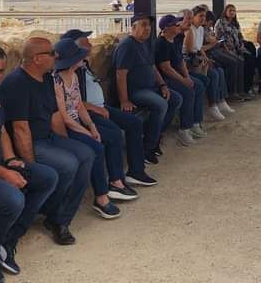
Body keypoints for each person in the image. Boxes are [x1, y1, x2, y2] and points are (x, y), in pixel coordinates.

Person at [0, 46, 57, 283]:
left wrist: (10, 160)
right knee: (13, 199)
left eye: (0, 71)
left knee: (47, 177)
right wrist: (5, 174)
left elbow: (2, 130)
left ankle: (7, 240)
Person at [1, 37, 94, 245]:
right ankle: (54, 216)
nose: (56, 56)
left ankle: (60, 216)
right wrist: (32, 168)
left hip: (47, 138)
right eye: (52, 53)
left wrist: (66, 144)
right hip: (31, 143)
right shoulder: (17, 83)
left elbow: (55, 116)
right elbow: (20, 130)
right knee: (69, 164)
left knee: (86, 154)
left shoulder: (47, 78)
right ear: (37, 59)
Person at [51, 38, 134, 219]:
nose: (84, 57)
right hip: (66, 128)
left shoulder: (73, 76)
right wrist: (87, 132)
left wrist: (91, 126)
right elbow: (64, 117)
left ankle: (114, 184)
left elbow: (79, 105)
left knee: (106, 137)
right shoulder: (56, 82)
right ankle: (101, 197)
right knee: (96, 147)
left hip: (78, 123)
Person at [63, 29, 156, 184]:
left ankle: (136, 171)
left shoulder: (83, 64)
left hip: (100, 107)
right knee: (113, 134)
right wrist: (95, 109)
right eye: (86, 43)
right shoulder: (71, 70)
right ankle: (115, 180)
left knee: (134, 123)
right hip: (90, 111)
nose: (91, 45)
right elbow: (74, 101)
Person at [111, 15, 181, 165]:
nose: (147, 28)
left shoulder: (146, 43)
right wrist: (124, 100)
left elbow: (152, 67)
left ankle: (156, 135)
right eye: (143, 25)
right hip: (135, 91)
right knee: (161, 104)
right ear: (133, 27)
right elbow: (120, 74)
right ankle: (148, 147)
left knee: (176, 99)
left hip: (151, 87)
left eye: (149, 25)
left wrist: (162, 85)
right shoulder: (127, 46)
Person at [156, 14, 207, 146]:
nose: (178, 26)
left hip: (175, 75)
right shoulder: (161, 43)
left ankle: (196, 122)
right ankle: (184, 129)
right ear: (166, 28)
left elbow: (180, 62)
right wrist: (184, 81)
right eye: (175, 24)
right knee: (187, 92)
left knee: (198, 86)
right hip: (165, 79)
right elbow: (166, 68)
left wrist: (187, 77)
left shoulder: (174, 40)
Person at [185, 5, 234, 119]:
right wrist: (204, 58)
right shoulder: (190, 30)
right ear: (193, 17)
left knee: (219, 70)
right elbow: (191, 51)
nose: (203, 18)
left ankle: (221, 101)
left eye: (204, 16)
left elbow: (199, 49)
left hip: (199, 59)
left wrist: (206, 58)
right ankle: (212, 105)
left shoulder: (200, 29)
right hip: (190, 63)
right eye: (200, 16)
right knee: (213, 74)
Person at [204, 10, 248, 102]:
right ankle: (231, 92)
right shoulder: (203, 30)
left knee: (240, 60)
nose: (210, 25)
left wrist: (215, 41)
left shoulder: (208, 29)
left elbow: (214, 39)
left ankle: (240, 90)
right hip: (211, 52)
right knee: (233, 62)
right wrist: (214, 42)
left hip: (217, 48)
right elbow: (209, 42)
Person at [215, 4, 257, 99]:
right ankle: (235, 91)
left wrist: (241, 47)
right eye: (230, 10)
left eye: (234, 11)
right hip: (226, 49)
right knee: (239, 61)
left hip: (238, 48)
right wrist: (228, 50)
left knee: (250, 58)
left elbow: (240, 36)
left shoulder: (235, 23)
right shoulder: (220, 23)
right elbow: (219, 38)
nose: (232, 12)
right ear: (225, 12)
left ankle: (246, 88)